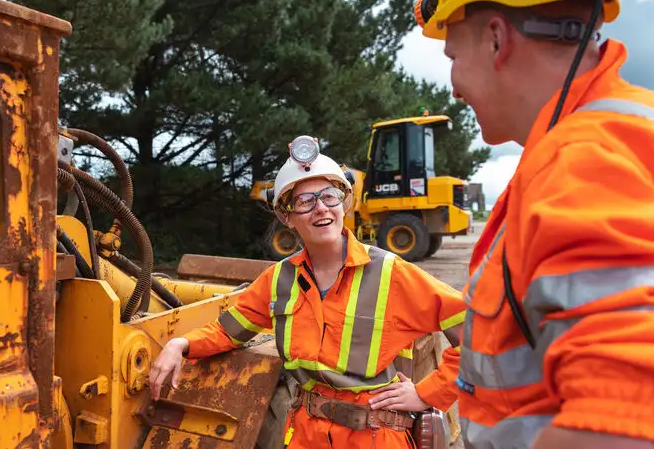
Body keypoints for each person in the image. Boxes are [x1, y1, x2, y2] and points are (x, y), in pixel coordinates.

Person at [413, 0, 654, 448]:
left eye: (452, 58)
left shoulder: (585, 158)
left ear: (495, 39)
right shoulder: (623, 129)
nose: (452, 87)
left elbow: (630, 421)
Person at [148, 136, 468, 448]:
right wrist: (182, 343)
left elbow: (477, 333)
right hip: (305, 433)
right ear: (287, 217)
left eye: (329, 196)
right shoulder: (279, 280)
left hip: (375, 435)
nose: (321, 209)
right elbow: (229, 330)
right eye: (305, 201)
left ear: (343, 202)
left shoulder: (391, 272)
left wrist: (427, 393)